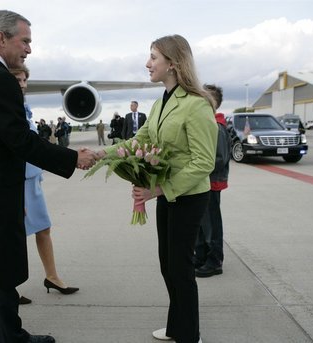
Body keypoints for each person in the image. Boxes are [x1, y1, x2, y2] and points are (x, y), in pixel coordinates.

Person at [0, 10, 95, 343]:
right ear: (1, 38)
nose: (28, 49)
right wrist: (73, 158)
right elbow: (19, 140)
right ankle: (12, 337)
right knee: (1, 263)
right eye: (24, 41)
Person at [99, 34, 217, 343]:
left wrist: (159, 190)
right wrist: (101, 155)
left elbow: (204, 162)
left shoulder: (197, 104)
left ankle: (189, 335)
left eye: (153, 57)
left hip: (188, 196)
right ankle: (177, 326)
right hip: (167, 194)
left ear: (173, 63)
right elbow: (139, 140)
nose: (147, 63)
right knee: (168, 265)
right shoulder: (161, 103)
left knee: (181, 269)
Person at [10, 65, 79, 303]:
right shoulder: (8, 109)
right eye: (17, 79)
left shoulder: (23, 110)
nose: (22, 84)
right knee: (14, 235)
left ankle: (52, 276)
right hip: (17, 182)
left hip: (32, 179)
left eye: (24, 79)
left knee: (43, 228)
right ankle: (9, 287)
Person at [194, 84, 231, 278]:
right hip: (203, 182)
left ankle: (215, 260)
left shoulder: (217, 128)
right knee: (201, 223)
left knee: (212, 224)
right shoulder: (208, 125)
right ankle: (201, 255)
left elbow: (219, 158)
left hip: (212, 182)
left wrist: (197, 164)